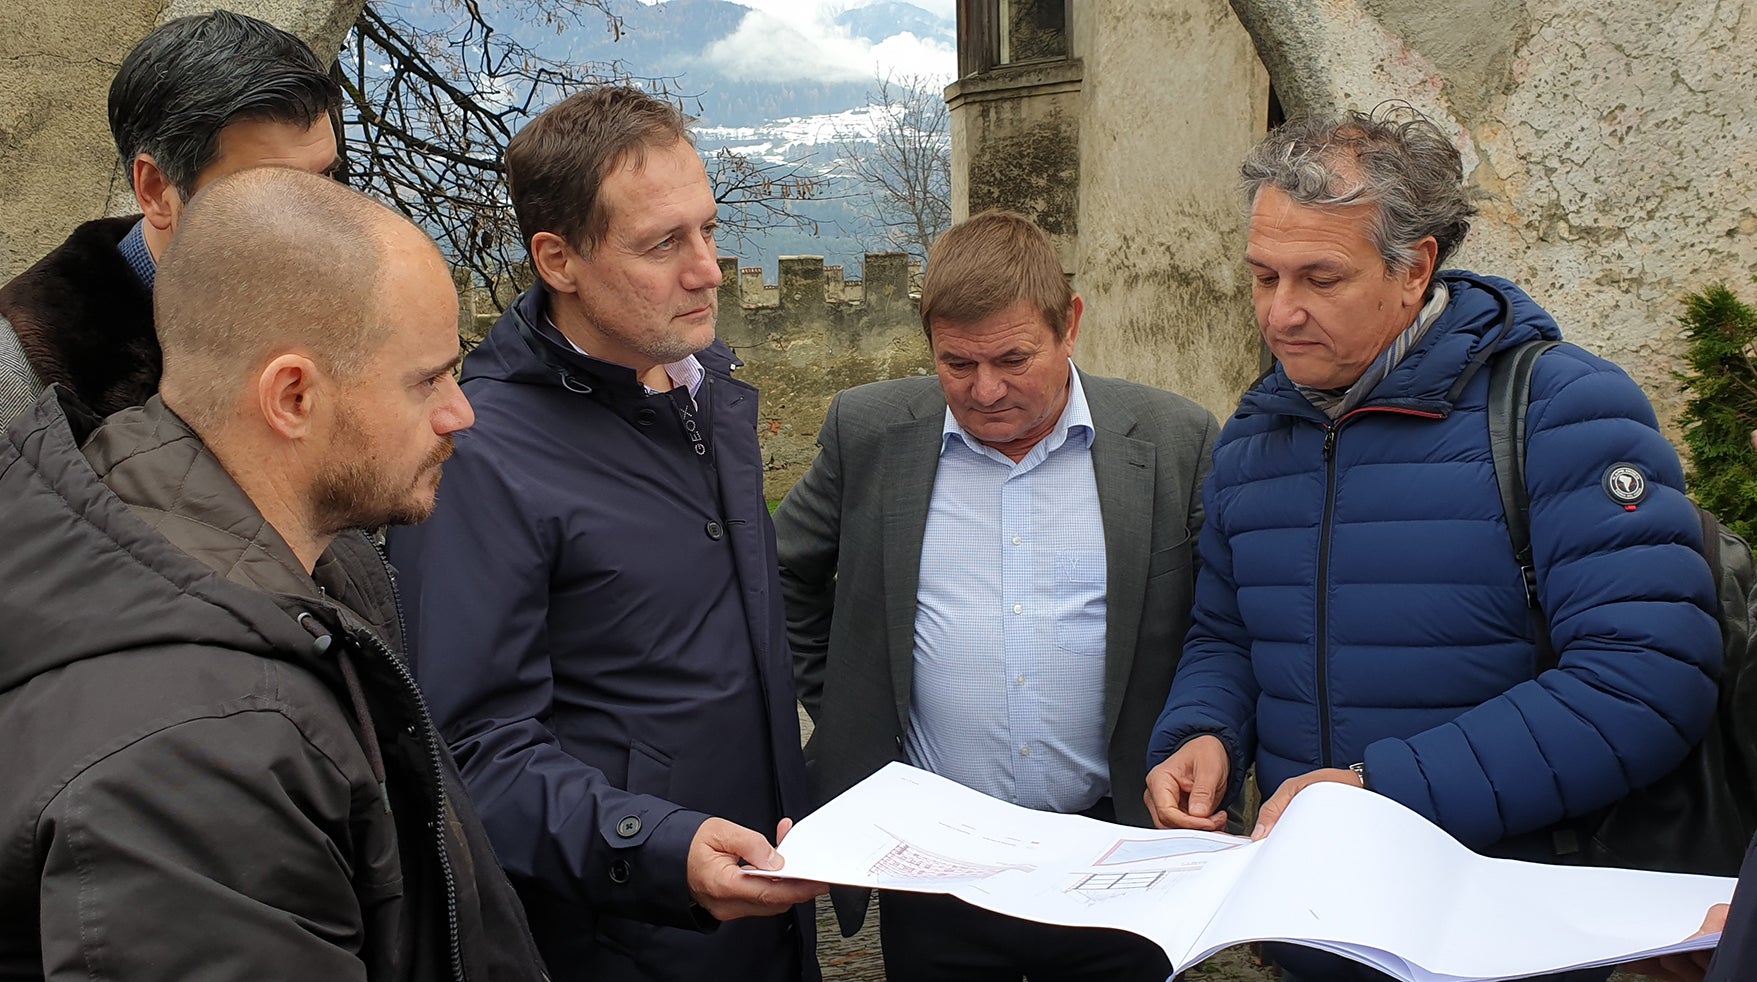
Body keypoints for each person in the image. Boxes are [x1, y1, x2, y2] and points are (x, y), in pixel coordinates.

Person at [1142, 105, 1721, 982]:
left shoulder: (1562, 411)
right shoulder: (1253, 436)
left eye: (1318, 278)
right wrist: (1202, 730)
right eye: (1262, 276)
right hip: (1315, 930)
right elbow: (1226, 633)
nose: (1279, 313)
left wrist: (1383, 794)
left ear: (1413, 269)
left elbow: (1644, 681)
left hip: (1510, 936)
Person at [0, 167, 545, 979]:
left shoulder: (279, 570)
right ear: (291, 396)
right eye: (428, 378)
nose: (459, 412)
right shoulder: (198, 752)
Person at [382, 85, 823, 982]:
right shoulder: (482, 454)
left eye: (707, 229)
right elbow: (469, 752)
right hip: (618, 938)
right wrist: (659, 848)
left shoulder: (706, 395)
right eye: (664, 244)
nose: (708, 270)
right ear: (559, 259)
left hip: (764, 913)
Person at [772, 209, 1216, 980]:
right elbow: (782, 575)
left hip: (1115, 858)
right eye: (956, 365)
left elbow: (1222, 620)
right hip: (939, 868)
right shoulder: (870, 432)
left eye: (1013, 359)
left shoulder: (1174, 441)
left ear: (1068, 325)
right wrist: (846, 693)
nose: (985, 391)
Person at [0, 10, 342, 432]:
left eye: (326, 176)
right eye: (268, 194)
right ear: (156, 189)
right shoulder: (18, 389)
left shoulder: (337, 313)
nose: (318, 221)